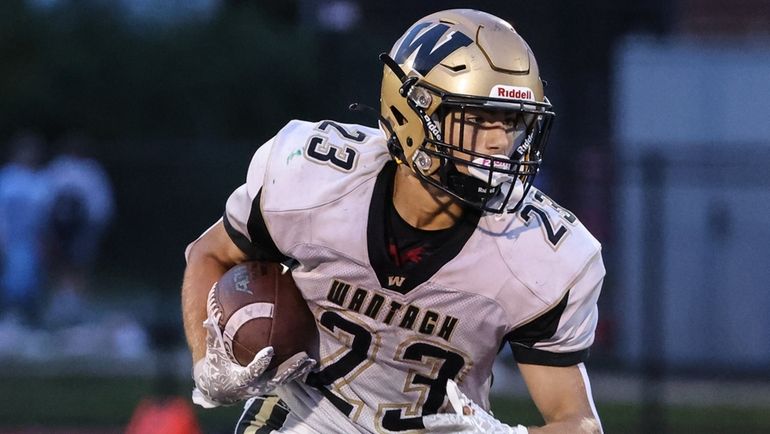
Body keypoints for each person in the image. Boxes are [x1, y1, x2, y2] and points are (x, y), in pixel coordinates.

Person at [182, 9, 604, 434]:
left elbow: (578, 421)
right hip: (306, 416)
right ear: (413, 114)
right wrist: (206, 364)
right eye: (478, 120)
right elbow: (209, 253)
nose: (500, 142)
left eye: (512, 122)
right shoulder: (312, 182)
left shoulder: (539, 250)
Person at [43, 133, 115, 327]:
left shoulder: (92, 171)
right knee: (57, 265)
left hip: (82, 228)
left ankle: (77, 304)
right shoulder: (58, 169)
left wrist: (93, 228)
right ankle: (58, 304)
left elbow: (100, 204)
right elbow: (46, 197)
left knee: (79, 265)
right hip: (57, 228)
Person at [0, 132, 51, 326]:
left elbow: (46, 213)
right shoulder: (6, 177)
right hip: (9, 236)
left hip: (32, 238)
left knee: (31, 277)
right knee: (11, 276)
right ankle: (9, 313)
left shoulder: (40, 180)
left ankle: (30, 317)